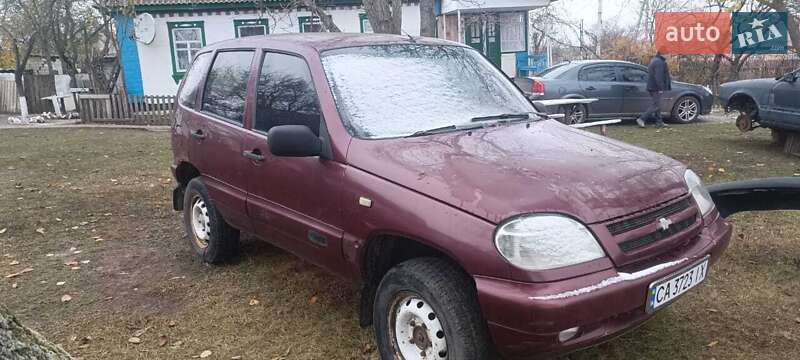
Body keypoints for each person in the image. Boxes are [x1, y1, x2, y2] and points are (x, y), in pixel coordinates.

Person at [636, 51, 671, 128]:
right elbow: (658, 76)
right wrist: (661, 88)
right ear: (662, 53)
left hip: (652, 86)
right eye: (668, 53)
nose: (669, 55)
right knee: (656, 105)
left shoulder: (655, 60)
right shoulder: (659, 62)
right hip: (656, 87)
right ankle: (642, 119)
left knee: (657, 104)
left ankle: (659, 122)